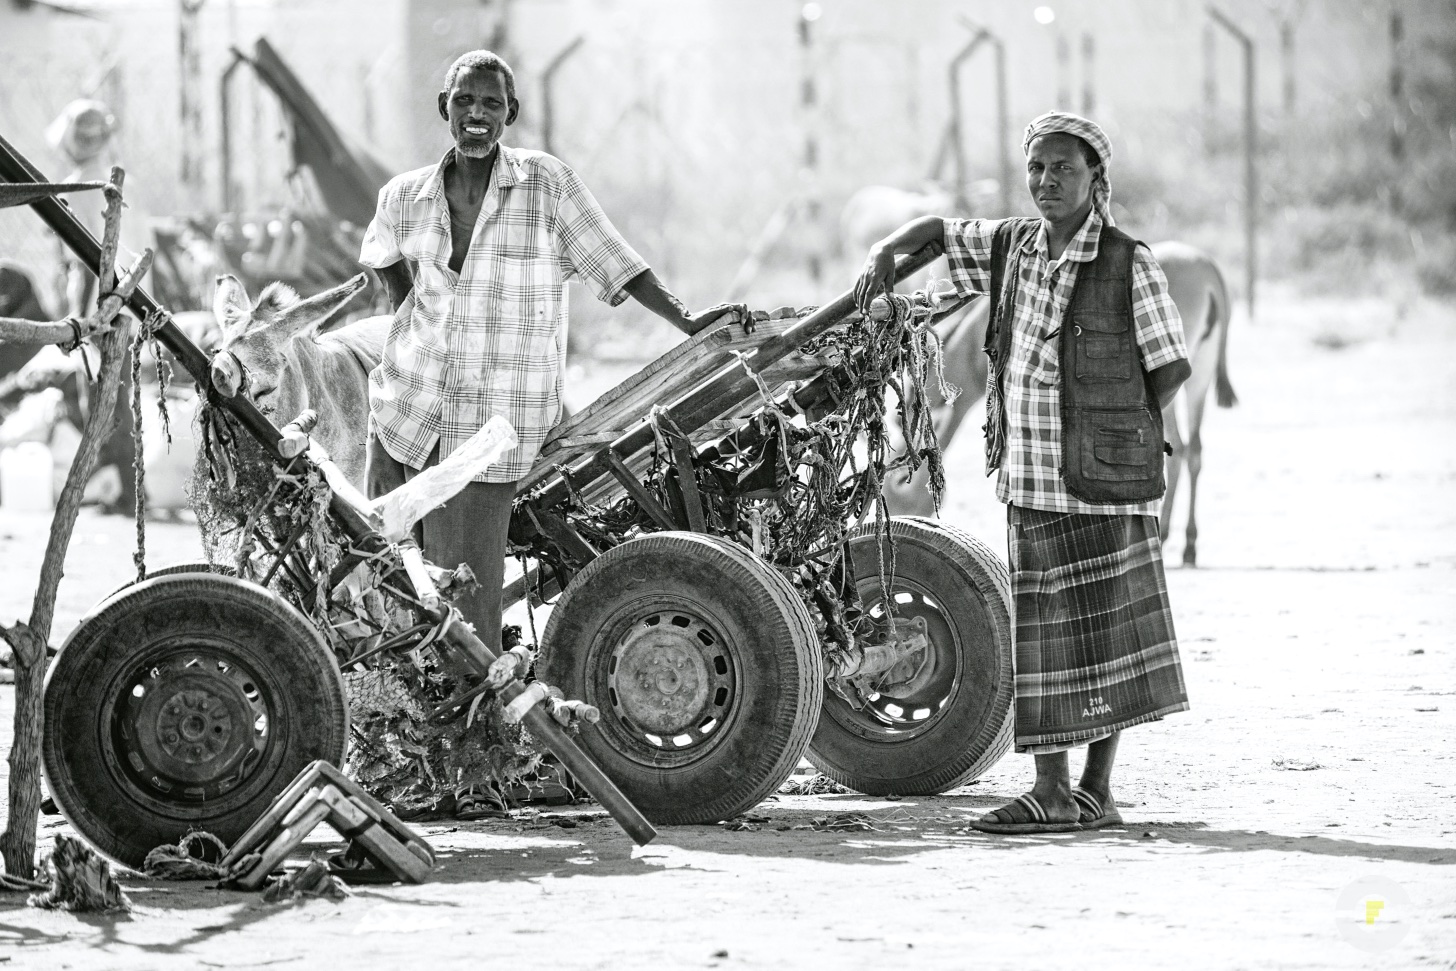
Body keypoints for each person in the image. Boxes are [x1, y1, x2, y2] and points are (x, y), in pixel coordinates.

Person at [855, 111, 1193, 834]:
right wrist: (889, 245)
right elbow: (942, 233)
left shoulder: (1131, 262)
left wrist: (1114, 445)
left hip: (1103, 486)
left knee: (1108, 641)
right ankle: (1059, 790)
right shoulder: (1011, 247)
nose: (1046, 181)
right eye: (1037, 168)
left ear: (1096, 180)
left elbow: (1166, 374)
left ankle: (1083, 793)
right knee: (1045, 640)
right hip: (1031, 482)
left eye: (1063, 169)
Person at [359, 50, 730, 684]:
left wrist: (687, 319)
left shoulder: (545, 185)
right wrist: (405, 319)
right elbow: (381, 257)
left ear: (511, 114)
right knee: (380, 577)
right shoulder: (405, 196)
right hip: (404, 410)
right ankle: (396, 720)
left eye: (491, 104)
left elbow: (617, 262)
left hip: (492, 427)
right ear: (443, 109)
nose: (477, 115)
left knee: (461, 598)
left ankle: (470, 736)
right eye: (464, 102)